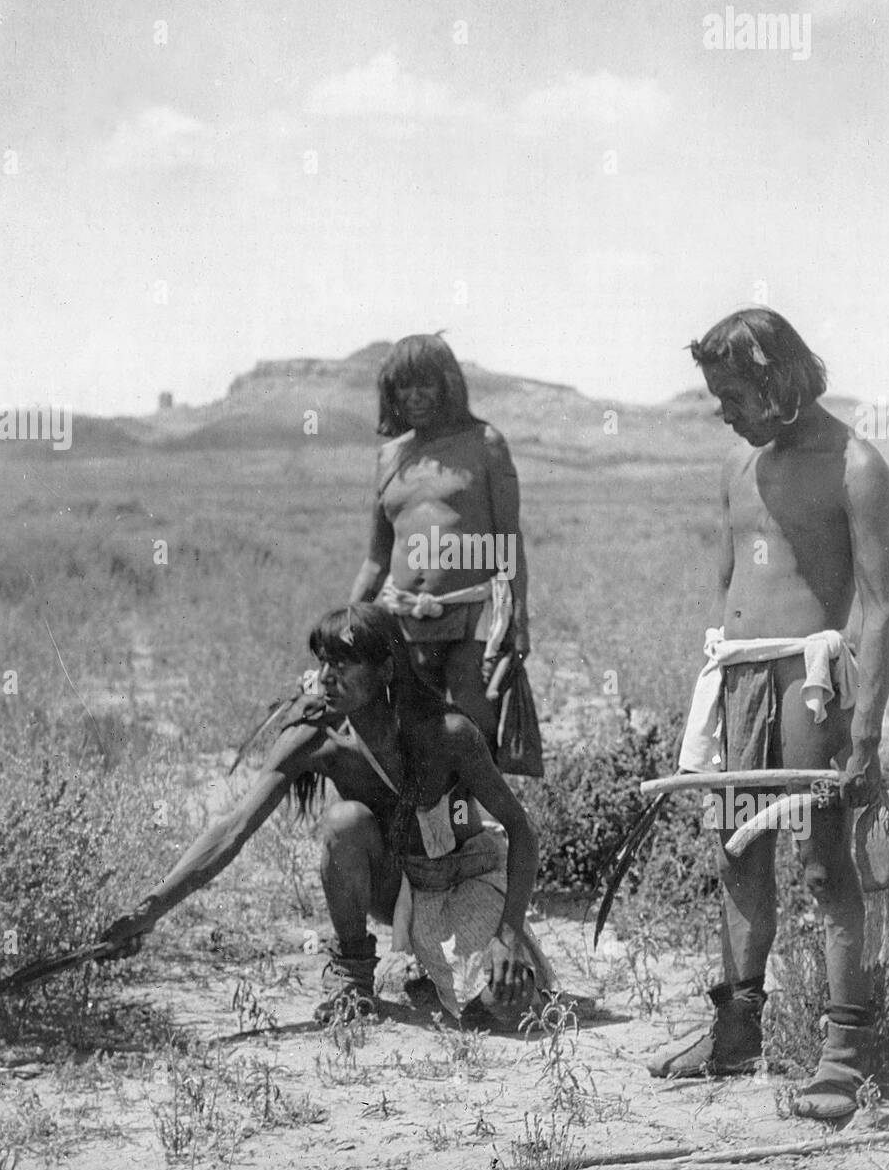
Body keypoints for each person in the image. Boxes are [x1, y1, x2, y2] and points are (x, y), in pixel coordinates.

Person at [648, 308, 889, 1122]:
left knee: (826, 867)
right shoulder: (735, 464)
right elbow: (733, 588)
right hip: (740, 681)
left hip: (812, 682)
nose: (721, 409)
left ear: (776, 381)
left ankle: (843, 1053)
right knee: (738, 853)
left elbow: (879, 606)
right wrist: (723, 686)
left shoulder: (853, 464)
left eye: (731, 393)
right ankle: (735, 1032)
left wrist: (862, 733)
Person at [101, 604, 553, 1024]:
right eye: (322, 663)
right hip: (399, 890)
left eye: (343, 664)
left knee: (507, 1009)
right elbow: (232, 830)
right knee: (345, 822)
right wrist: (149, 911)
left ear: (386, 669)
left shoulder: (446, 732)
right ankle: (353, 977)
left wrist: (508, 935)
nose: (325, 677)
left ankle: (437, 975)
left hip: (466, 878)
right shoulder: (318, 738)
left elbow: (521, 830)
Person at [347, 334, 530, 754]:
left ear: (448, 384)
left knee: (472, 726)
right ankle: (432, 820)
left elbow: (508, 539)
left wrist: (520, 620)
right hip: (402, 617)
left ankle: (478, 818)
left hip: (472, 615)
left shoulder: (486, 444)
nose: (414, 396)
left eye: (425, 383)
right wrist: (348, 620)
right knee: (412, 733)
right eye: (403, 386)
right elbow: (376, 558)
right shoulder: (390, 456)